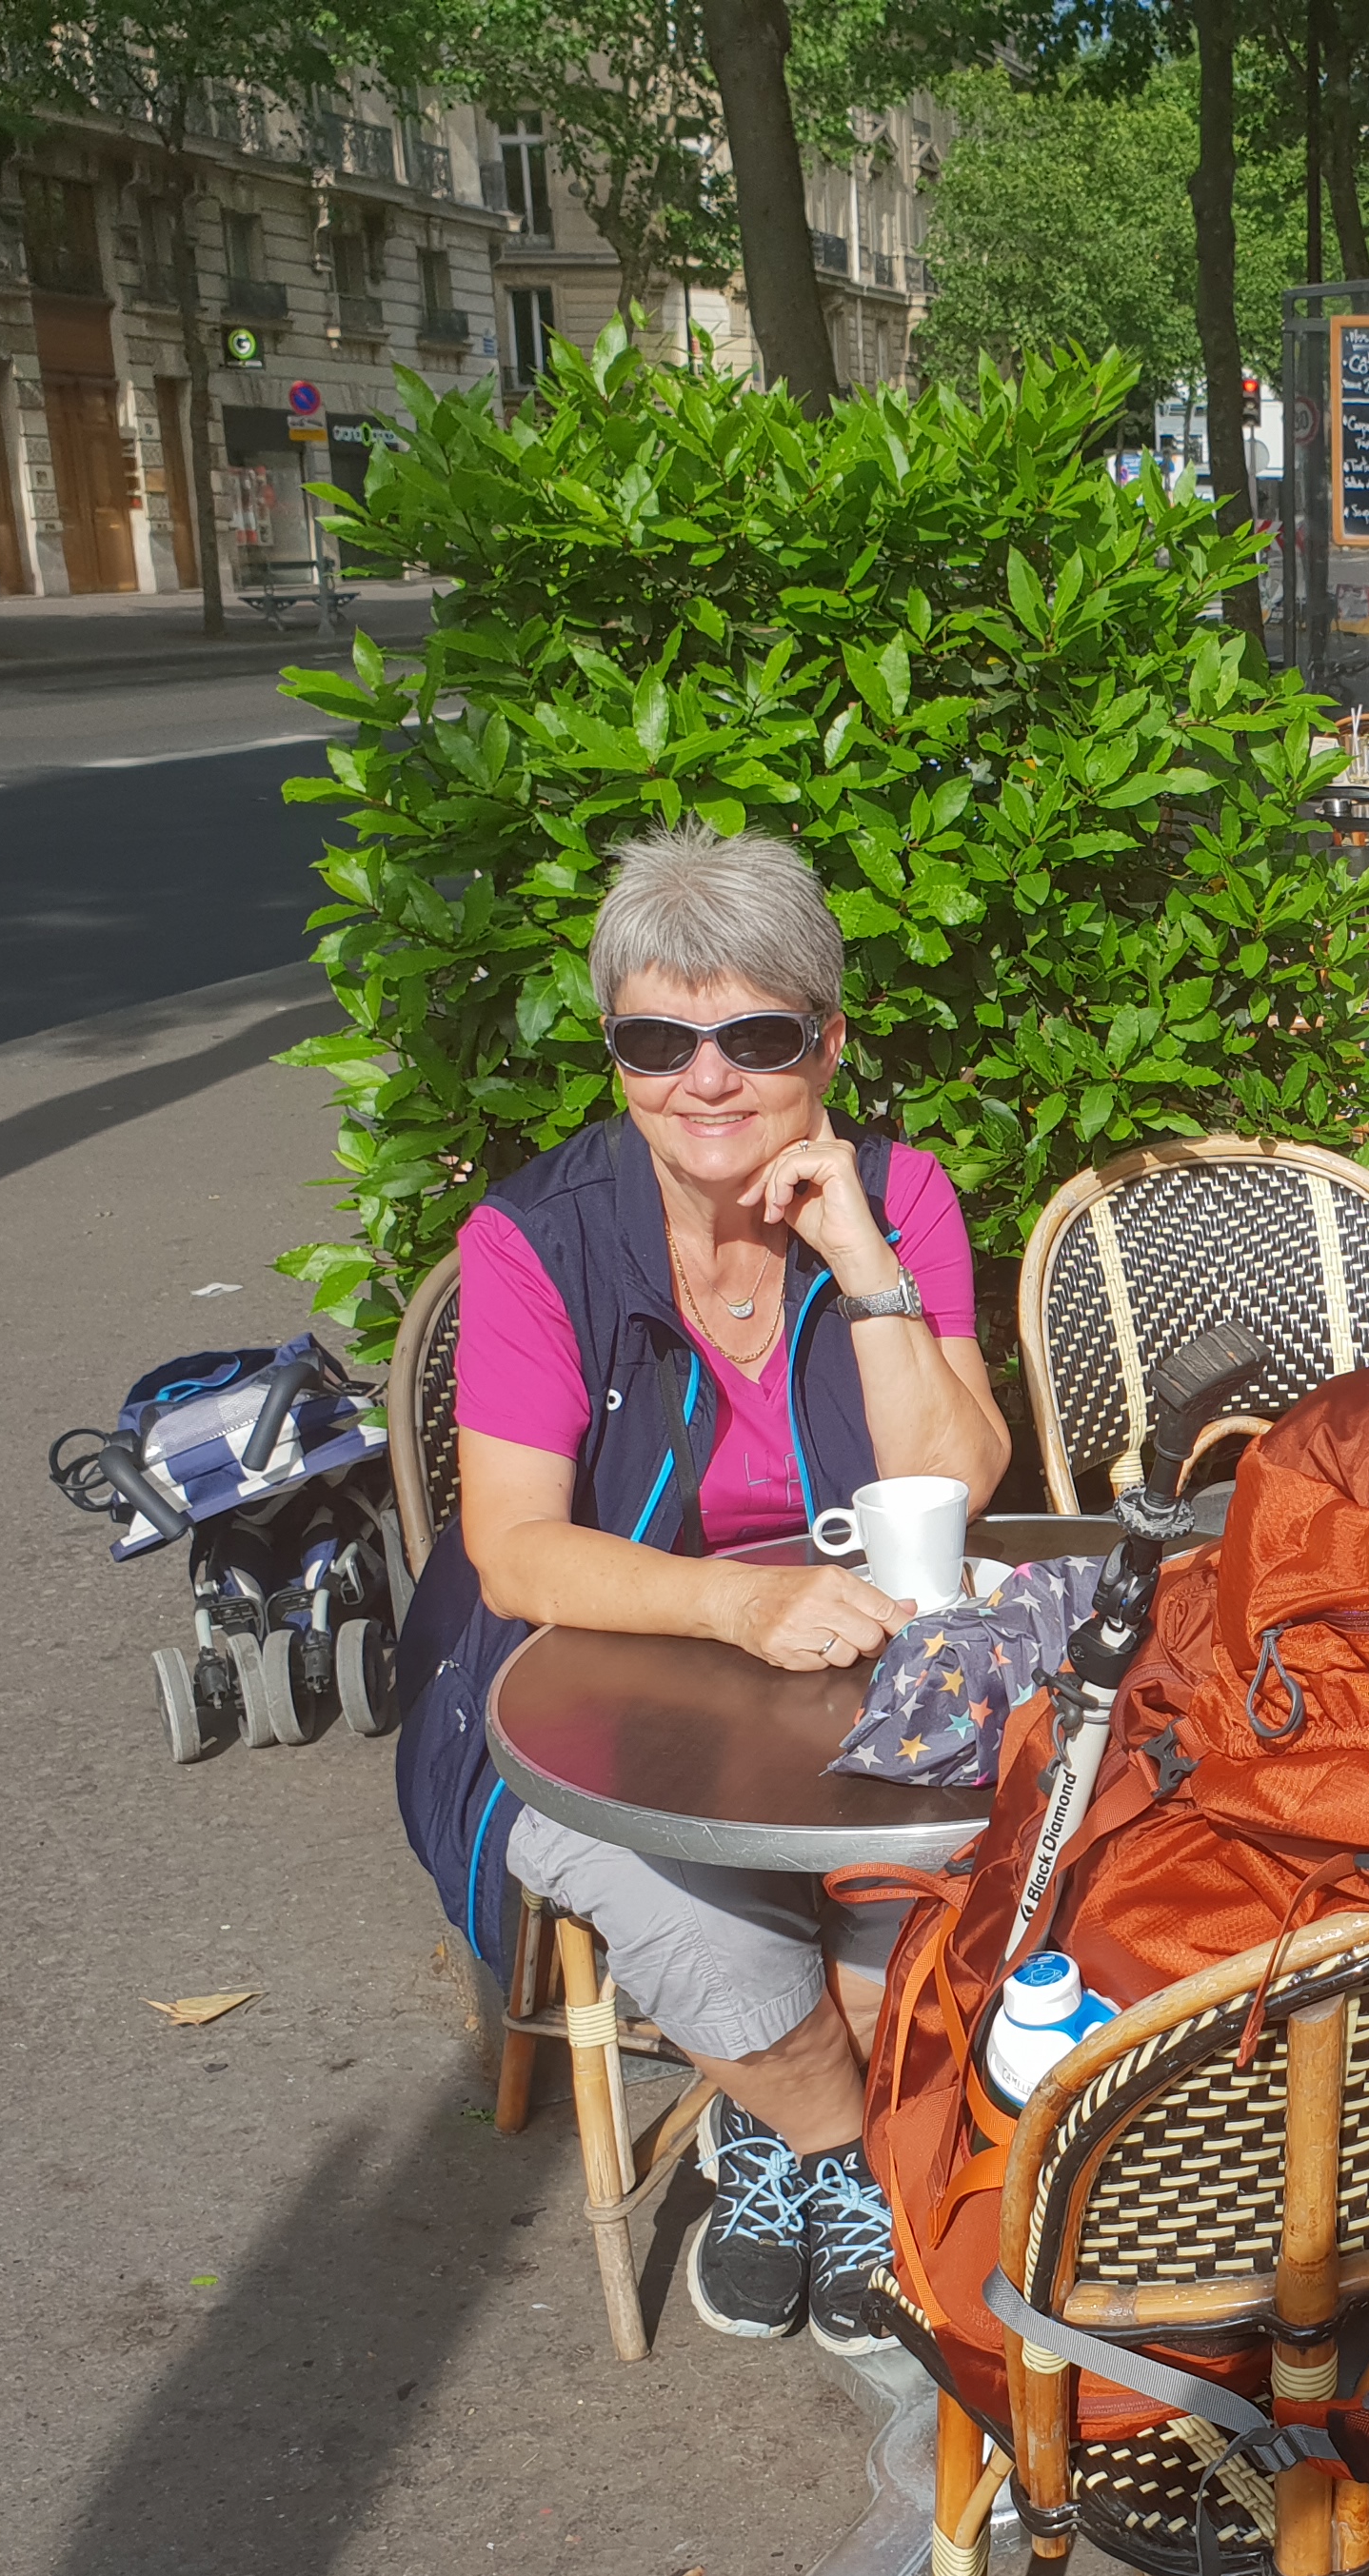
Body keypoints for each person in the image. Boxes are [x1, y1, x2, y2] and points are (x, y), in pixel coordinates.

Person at [395, 827, 1011, 2352]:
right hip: (588, 1677)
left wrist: (864, 1265)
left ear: (828, 1041)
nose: (708, 1081)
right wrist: (736, 1607)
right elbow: (518, 1551)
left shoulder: (902, 1196)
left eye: (757, 1036)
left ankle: (781, 2134)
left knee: (910, 1898)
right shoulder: (537, 1238)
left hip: (863, 1664)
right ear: (615, 1056)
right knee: (709, 1928)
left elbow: (956, 1479)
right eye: (658, 1041)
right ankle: (836, 2154)